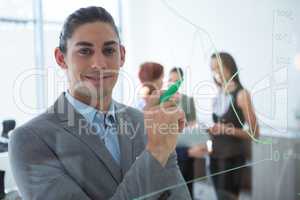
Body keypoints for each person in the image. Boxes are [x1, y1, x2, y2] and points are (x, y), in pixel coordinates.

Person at [9, 6, 191, 200]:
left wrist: (163, 145)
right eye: (85, 51)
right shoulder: (30, 139)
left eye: (109, 50)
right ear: (61, 59)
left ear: (121, 55)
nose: (99, 63)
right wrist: (156, 151)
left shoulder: (143, 122)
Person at [189, 52, 259, 199]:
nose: (216, 73)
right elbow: (217, 128)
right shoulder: (219, 94)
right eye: (213, 69)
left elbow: (255, 133)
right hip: (214, 157)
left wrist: (226, 129)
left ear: (230, 68)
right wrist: (208, 130)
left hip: (231, 159)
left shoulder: (241, 94)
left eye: (218, 68)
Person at [168, 67, 196, 197]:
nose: (172, 83)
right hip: (168, 148)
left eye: (176, 80)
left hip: (184, 149)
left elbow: (193, 125)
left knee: (186, 182)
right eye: (170, 80)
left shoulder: (188, 101)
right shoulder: (162, 100)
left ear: (181, 81)